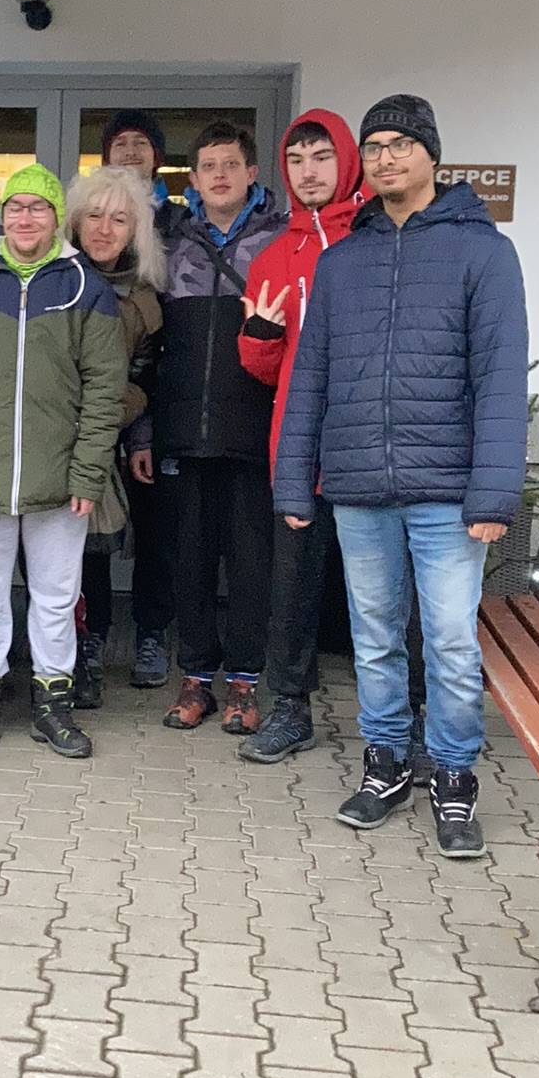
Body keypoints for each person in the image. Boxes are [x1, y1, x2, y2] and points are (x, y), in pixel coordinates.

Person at [273, 95, 528, 858]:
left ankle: (453, 775)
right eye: (376, 146)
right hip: (359, 487)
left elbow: (500, 381)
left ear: (431, 156)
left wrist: (494, 494)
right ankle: (385, 763)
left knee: (449, 641)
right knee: (375, 637)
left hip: (448, 493)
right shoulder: (342, 261)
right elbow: (310, 377)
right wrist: (294, 480)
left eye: (401, 145)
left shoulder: (483, 252)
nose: (386, 158)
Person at [0, 163, 127, 760]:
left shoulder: (86, 287)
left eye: (38, 207)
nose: (25, 218)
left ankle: (53, 705)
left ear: (56, 217)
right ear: (2, 216)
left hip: (59, 482)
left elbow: (104, 390)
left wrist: (89, 472)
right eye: (15, 207)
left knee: (57, 599)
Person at [236, 111, 365, 763]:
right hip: (297, 449)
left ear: (347, 161)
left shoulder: (375, 241)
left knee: (383, 594)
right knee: (292, 591)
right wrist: (260, 337)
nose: (309, 172)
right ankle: (290, 708)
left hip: (368, 449)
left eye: (321, 157)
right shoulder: (272, 257)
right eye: (296, 160)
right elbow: (262, 367)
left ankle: (402, 719)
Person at [154, 121, 286, 734]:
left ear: (252, 173)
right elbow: (148, 350)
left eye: (231, 164)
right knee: (191, 562)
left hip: (254, 433)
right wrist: (144, 435)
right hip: (184, 434)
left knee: (252, 564)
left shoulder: (278, 242)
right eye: (208, 166)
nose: (220, 175)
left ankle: (245, 682)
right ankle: (196, 678)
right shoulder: (169, 245)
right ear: (194, 178)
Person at [63, 166, 167, 709]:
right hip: (47, 433)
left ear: (135, 231)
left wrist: (134, 431)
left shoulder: (144, 296)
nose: (105, 229)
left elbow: (145, 375)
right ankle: (61, 651)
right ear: (76, 222)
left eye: (119, 220)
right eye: (95, 216)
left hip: (106, 435)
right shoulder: (52, 277)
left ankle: (94, 643)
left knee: (96, 542)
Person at [102, 108, 171, 213]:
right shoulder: (89, 215)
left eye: (140, 143)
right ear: (108, 160)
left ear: (156, 157)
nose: (130, 152)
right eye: (120, 144)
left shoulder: (182, 219)